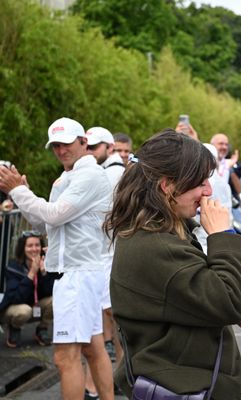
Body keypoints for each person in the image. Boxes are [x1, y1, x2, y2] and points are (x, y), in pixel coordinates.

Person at [105, 129, 241, 399]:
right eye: (200, 182)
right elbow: (228, 301)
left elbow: (178, 297)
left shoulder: (154, 233)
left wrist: (225, 298)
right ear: (167, 186)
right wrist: (222, 236)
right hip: (185, 386)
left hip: (184, 379)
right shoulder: (157, 246)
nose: (208, 191)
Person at [0, 117, 114, 400]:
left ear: (83, 143)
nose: (61, 151)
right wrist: (23, 195)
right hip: (80, 273)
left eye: (66, 144)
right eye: (55, 146)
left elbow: (53, 215)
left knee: (65, 357)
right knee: (94, 347)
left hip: (77, 274)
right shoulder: (66, 177)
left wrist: (19, 191)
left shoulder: (88, 175)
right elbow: (45, 225)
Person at [85, 126, 127, 399]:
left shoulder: (112, 173)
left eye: (94, 147)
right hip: (102, 258)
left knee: (115, 323)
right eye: (86, 146)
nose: (89, 152)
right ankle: (104, 384)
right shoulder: (104, 172)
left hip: (111, 258)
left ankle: (119, 381)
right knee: (105, 324)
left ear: (108, 147)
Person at [0, 231, 54, 348]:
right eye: (30, 246)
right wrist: (31, 273)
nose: (34, 249)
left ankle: (42, 329)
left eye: (37, 245)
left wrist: (44, 273)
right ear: (23, 248)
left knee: (55, 300)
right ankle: (15, 327)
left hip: (35, 305)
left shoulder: (46, 264)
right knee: (24, 310)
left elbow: (49, 292)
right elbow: (16, 298)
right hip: (14, 308)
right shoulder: (13, 267)